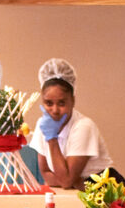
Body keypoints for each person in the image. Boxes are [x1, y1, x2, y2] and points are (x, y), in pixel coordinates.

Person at [31, 58, 108, 187]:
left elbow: (66, 181)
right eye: (48, 103)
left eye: (62, 103)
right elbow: (45, 173)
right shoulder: (42, 125)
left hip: (106, 192)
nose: (55, 110)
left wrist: (52, 139)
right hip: (79, 191)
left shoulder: (84, 126)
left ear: (73, 101)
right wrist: (73, 182)